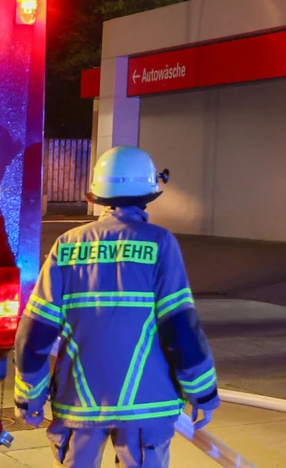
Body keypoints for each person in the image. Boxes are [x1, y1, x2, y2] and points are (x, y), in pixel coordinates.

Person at [14, 146, 219, 468]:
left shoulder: (67, 245)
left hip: (79, 403)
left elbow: (35, 332)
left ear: (97, 193)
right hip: (146, 405)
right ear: (149, 192)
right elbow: (180, 327)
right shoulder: (159, 242)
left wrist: (30, 396)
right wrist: (202, 392)